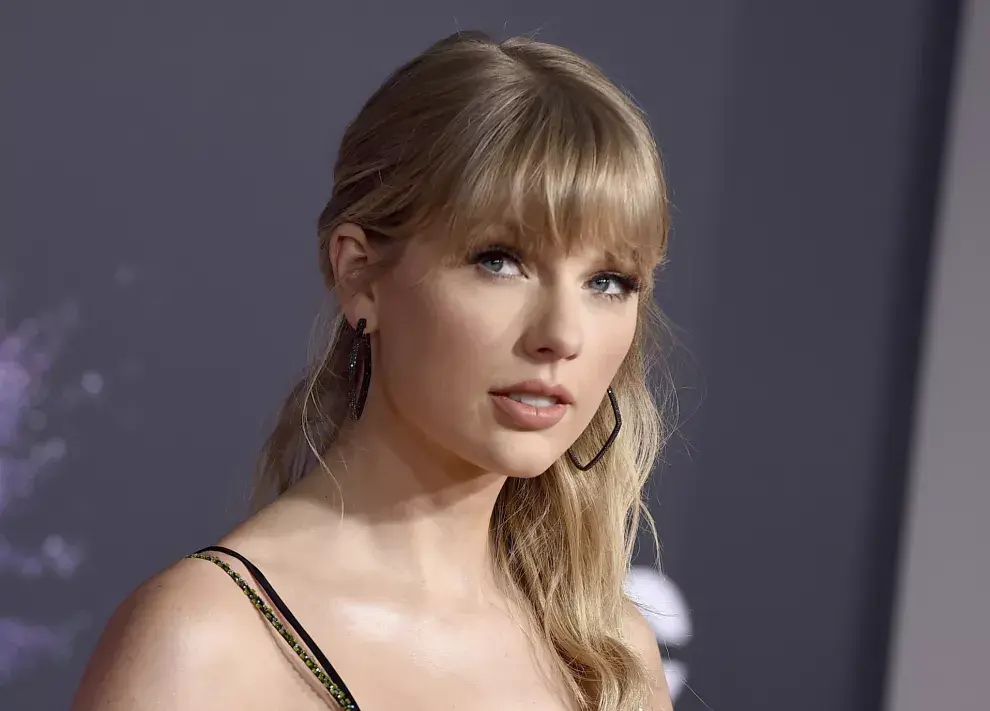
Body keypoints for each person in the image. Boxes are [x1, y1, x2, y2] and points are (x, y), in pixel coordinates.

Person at [72, 30, 673, 711]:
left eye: (609, 281)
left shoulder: (613, 658)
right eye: (499, 260)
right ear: (359, 273)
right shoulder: (206, 646)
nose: (562, 335)